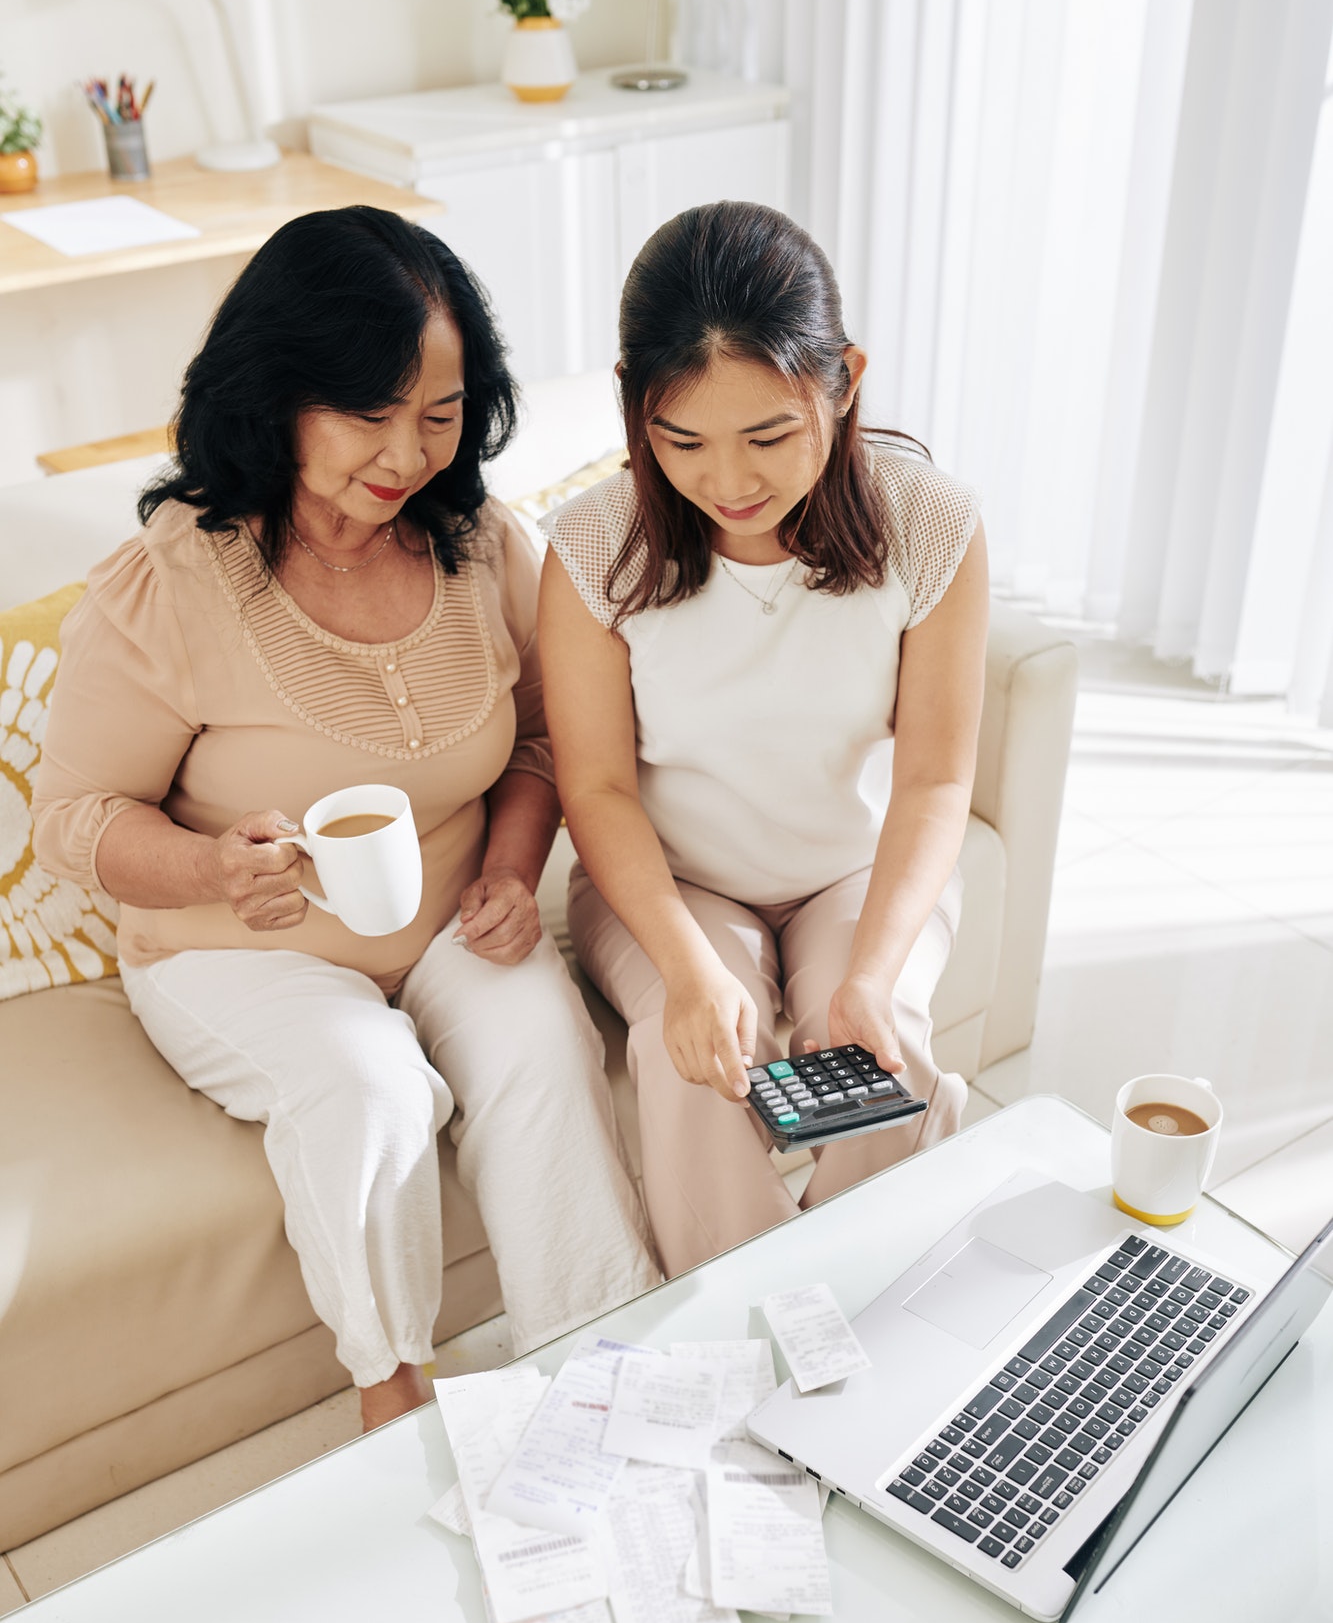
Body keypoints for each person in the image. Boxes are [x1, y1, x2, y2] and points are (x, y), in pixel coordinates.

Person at [32, 206, 657, 1429]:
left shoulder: (481, 545)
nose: (409, 452)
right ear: (278, 391)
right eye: (369, 412)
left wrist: (515, 865)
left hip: (449, 918)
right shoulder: (171, 582)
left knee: (538, 1046)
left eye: (439, 412)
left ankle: (604, 1376)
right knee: (369, 1085)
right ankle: (394, 1393)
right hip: (240, 946)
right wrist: (214, 866)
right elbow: (76, 813)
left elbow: (541, 735)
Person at [538, 200, 988, 1277]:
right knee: (684, 1053)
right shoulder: (593, 544)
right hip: (672, 881)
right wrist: (690, 971)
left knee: (885, 1040)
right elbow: (594, 786)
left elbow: (932, 780)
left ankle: (867, 1296)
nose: (728, 481)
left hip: (852, 868)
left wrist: (870, 975)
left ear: (843, 382)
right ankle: (738, 1332)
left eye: (769, 435)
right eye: (681, 439)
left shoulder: (931, 525)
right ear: (632, 407)